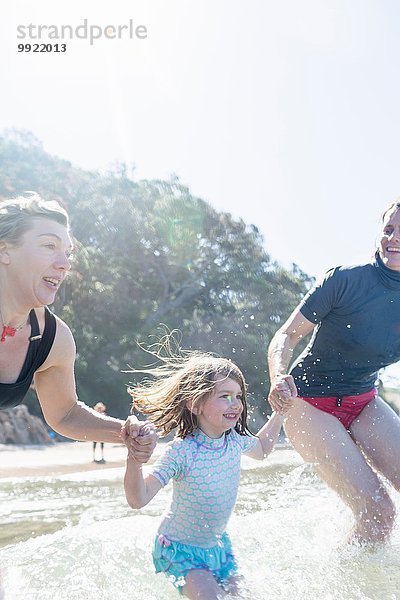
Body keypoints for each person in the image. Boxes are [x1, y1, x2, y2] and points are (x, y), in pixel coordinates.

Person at [267, 200, 400, 545]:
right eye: (389, 229)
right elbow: (287, 334)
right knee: (378, 510)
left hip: (364, 400)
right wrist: (279, 376)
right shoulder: (345, 280)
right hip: (308, 403)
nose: (393, 238)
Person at [0, 192, 156, 461]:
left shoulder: (52, 339)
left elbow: (65, 414)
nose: (65, 264)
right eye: (49, 246)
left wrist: (125, 432)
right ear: (4, 250)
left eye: (68, 253)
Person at [124, 350, 284, 600]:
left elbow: (262, 449)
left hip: (218, 547)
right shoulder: (182, 451)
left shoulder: (236, 441)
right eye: (224, 396)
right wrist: (135, 458)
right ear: (194, 404)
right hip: (179, 550)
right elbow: (138, 499)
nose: (236, 404)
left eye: (238, 396)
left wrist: (281, 412)